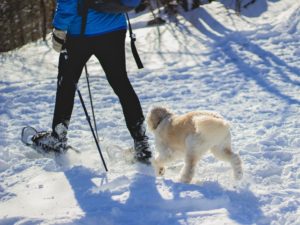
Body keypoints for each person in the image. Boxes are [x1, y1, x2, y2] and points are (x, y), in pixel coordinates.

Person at [33, 0, 152, 164]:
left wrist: (60, 29)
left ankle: (58, 137)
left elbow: (68, 2)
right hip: (114, 27)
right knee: (121, 83)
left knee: (67, 84)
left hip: (80, 33)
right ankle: (141, 143)